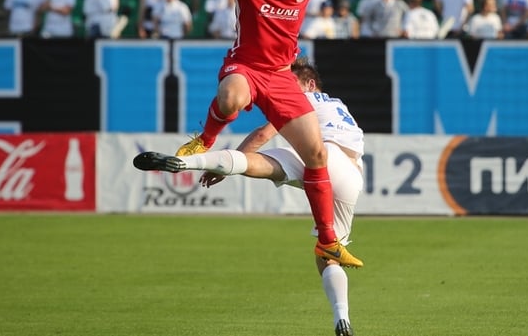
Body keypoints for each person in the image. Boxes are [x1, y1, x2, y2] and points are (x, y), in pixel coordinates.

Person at [134, 0, 404, 267]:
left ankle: (328, 242)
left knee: (317, 156)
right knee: (230, 97)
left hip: (281, 78)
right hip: (246, 68)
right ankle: (206, 139)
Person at [133, 58, 363, 336]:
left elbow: (264, 133)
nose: (285, 90)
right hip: (350, 176)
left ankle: (188, 162)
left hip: (324, 157)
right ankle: (342, 317)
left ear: (310, 84)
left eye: (292, 83)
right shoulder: (338, 105)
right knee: (327, 253)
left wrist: (227, 168)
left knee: (253, 161)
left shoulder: (306, 100)